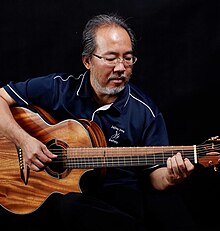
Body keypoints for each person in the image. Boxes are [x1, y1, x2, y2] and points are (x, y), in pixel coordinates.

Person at [0, 13, 198, 231]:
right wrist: (24, 140)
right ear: (87, 61)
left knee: (71, 206)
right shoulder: (60, 89)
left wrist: (171, 175)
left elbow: (156, 176)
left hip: (116, 203)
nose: (121, 67)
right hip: (51, 191)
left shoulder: (145, 111)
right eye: (111, 58)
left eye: (128, 58)